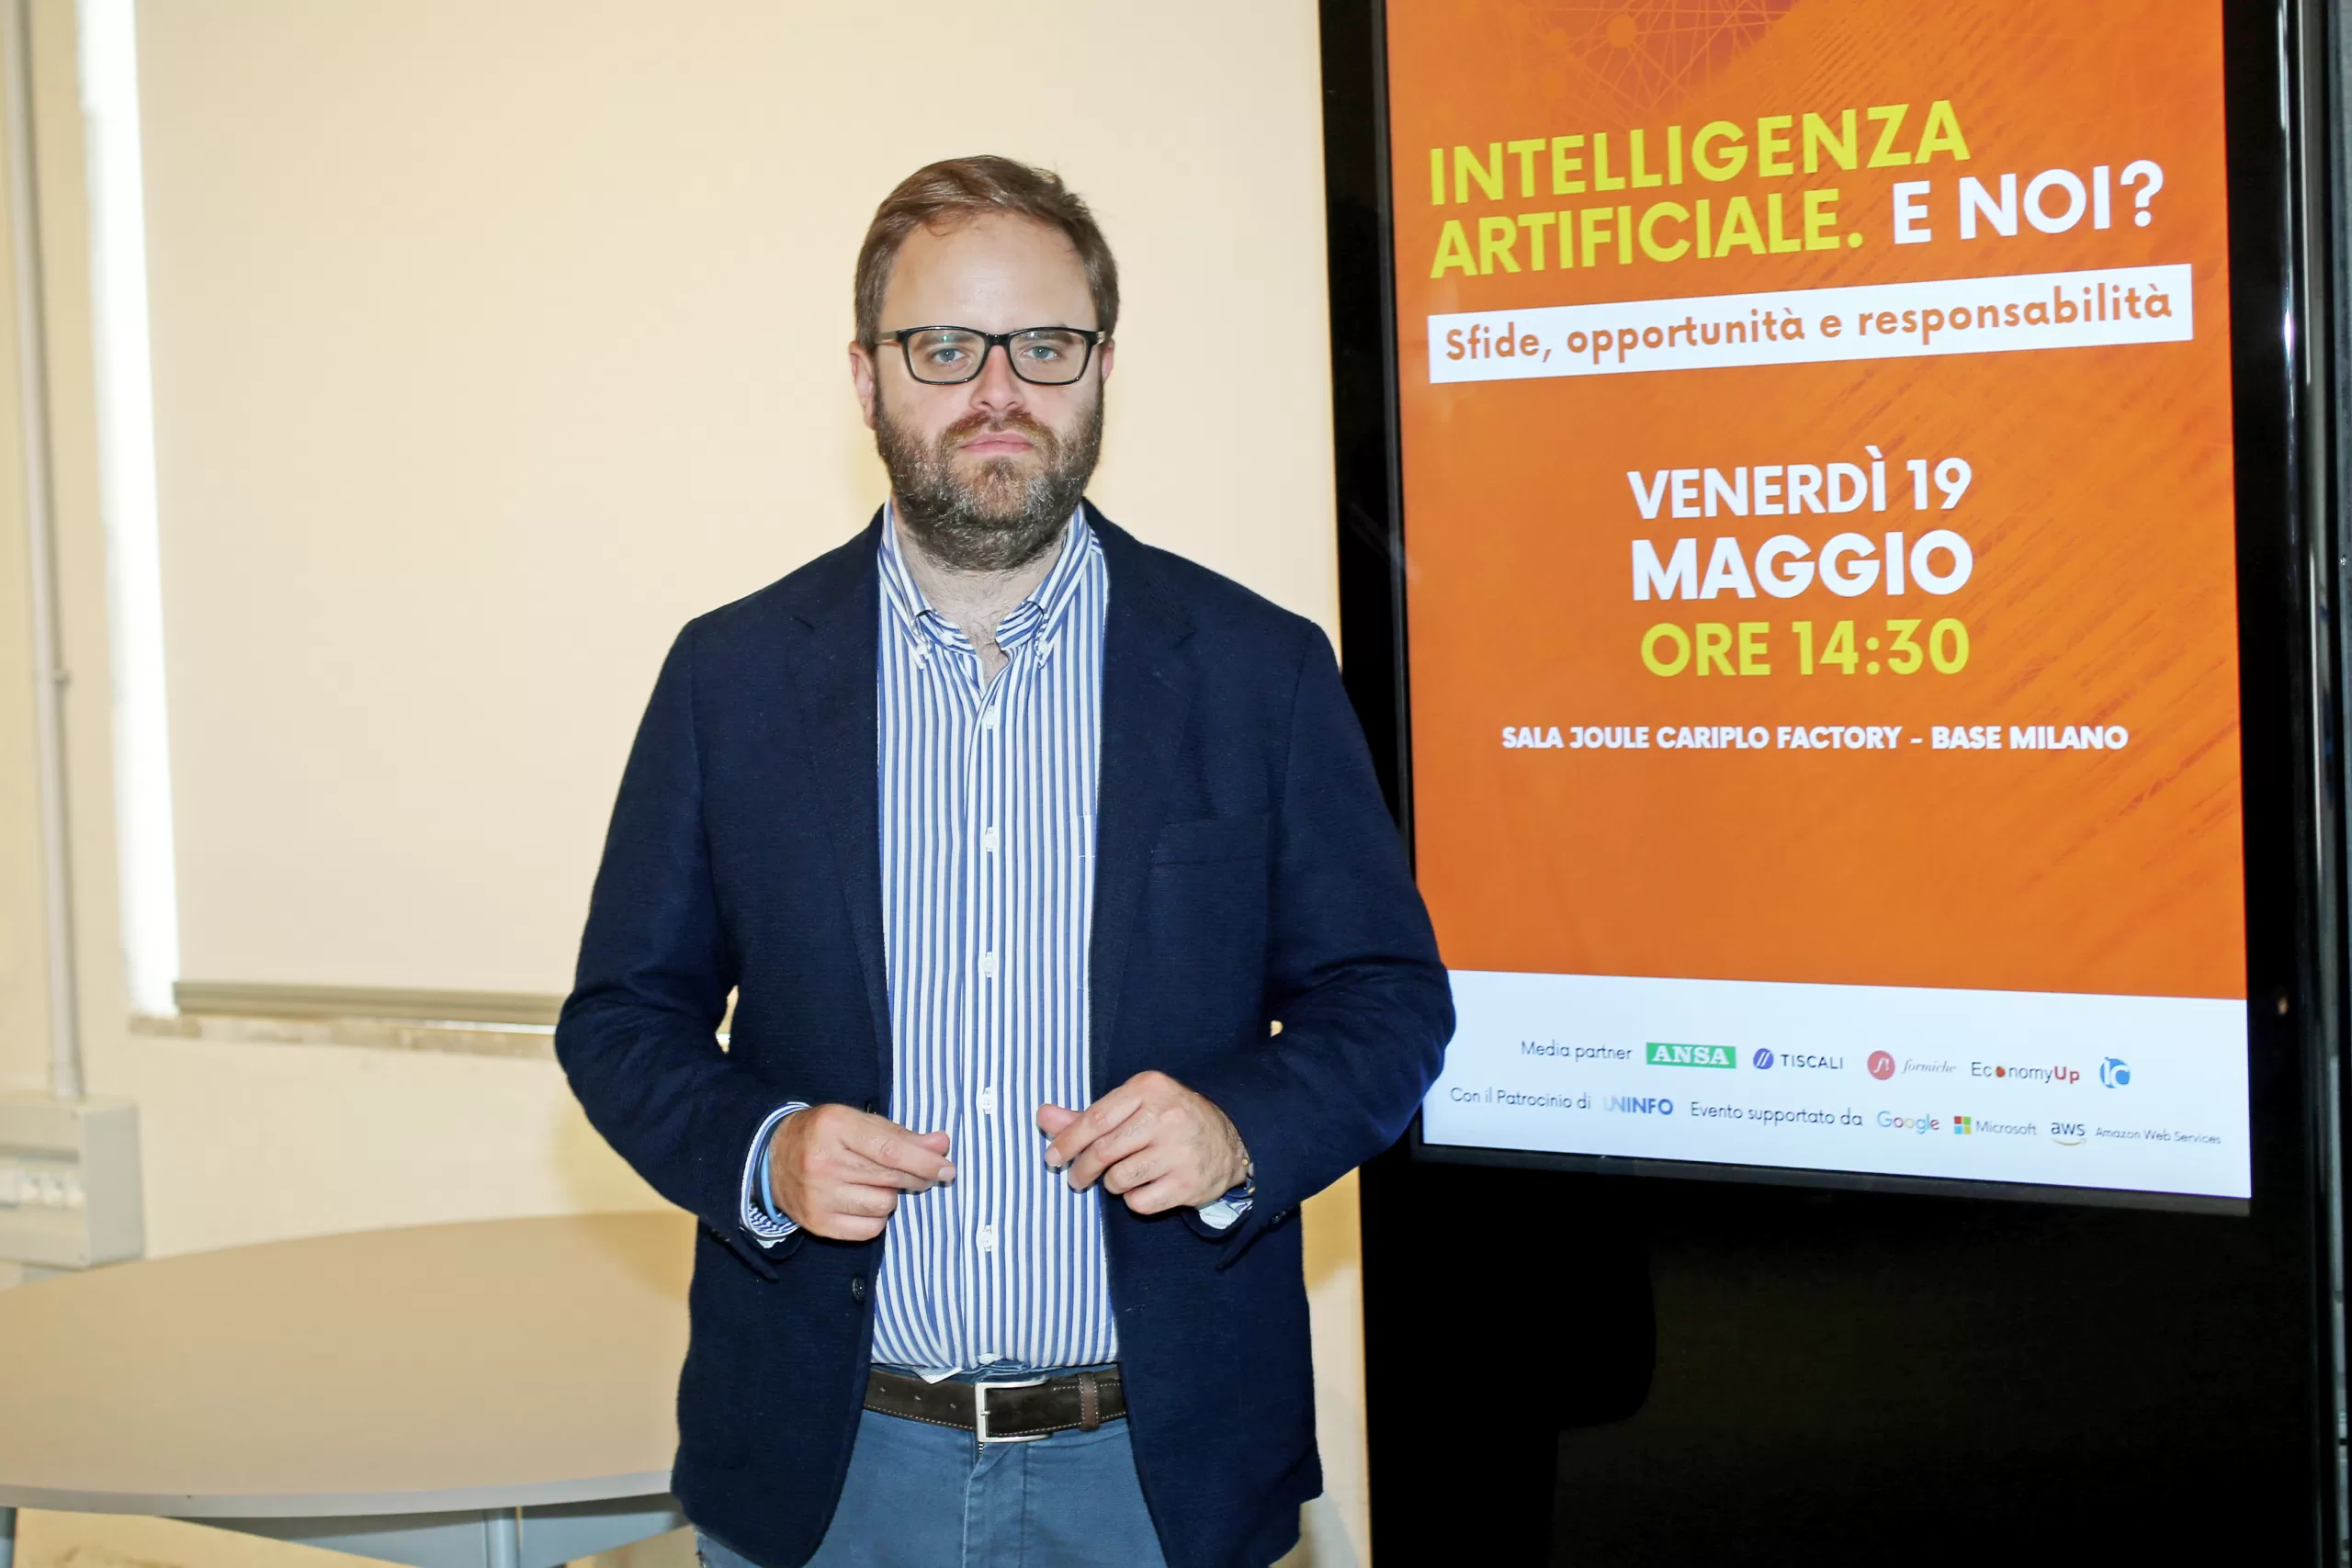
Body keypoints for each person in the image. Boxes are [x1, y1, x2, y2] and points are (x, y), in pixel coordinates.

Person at [556, 154, 1452, 1568]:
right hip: (829, 1473)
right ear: (866, 379)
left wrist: (1239, 1129)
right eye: (943, 348)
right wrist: (765, 1150)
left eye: (1045, 346)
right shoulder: (732, 679)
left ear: (1101, 368)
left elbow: (1389, 1000)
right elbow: (620, 1018)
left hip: (1158, 1479)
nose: (998, 390)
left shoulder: (1257, 671)